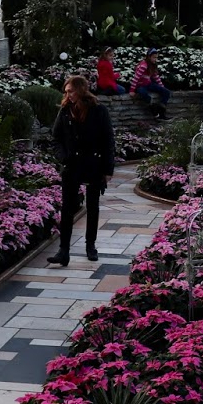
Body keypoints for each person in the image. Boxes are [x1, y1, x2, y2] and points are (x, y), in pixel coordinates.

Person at [48, 75, 115, 266]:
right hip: (72, 165)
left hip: (94, 164)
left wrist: (108, 169)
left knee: (92, 206)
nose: (68, 95)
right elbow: (56, 138)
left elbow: (108, 140)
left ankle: (90, 246)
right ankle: (64, 251)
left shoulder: (98, 110)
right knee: (67, 208)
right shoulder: (65, 110)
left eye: (71, 91)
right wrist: (63, 157)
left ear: (81, 90)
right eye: (66, 91)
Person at [129, 48, 171, 118]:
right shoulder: (143, 65)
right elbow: (136, 78)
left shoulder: (152, 65)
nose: (155, 59)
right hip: (140, 85)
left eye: (156, 57)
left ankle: (161, 111)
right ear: (149, 57)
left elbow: (156, 77)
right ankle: (152, 108)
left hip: (148, 84)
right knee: (143, 93)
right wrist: (132, 90)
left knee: (166, 92)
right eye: (154, 57)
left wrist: (162, 87)